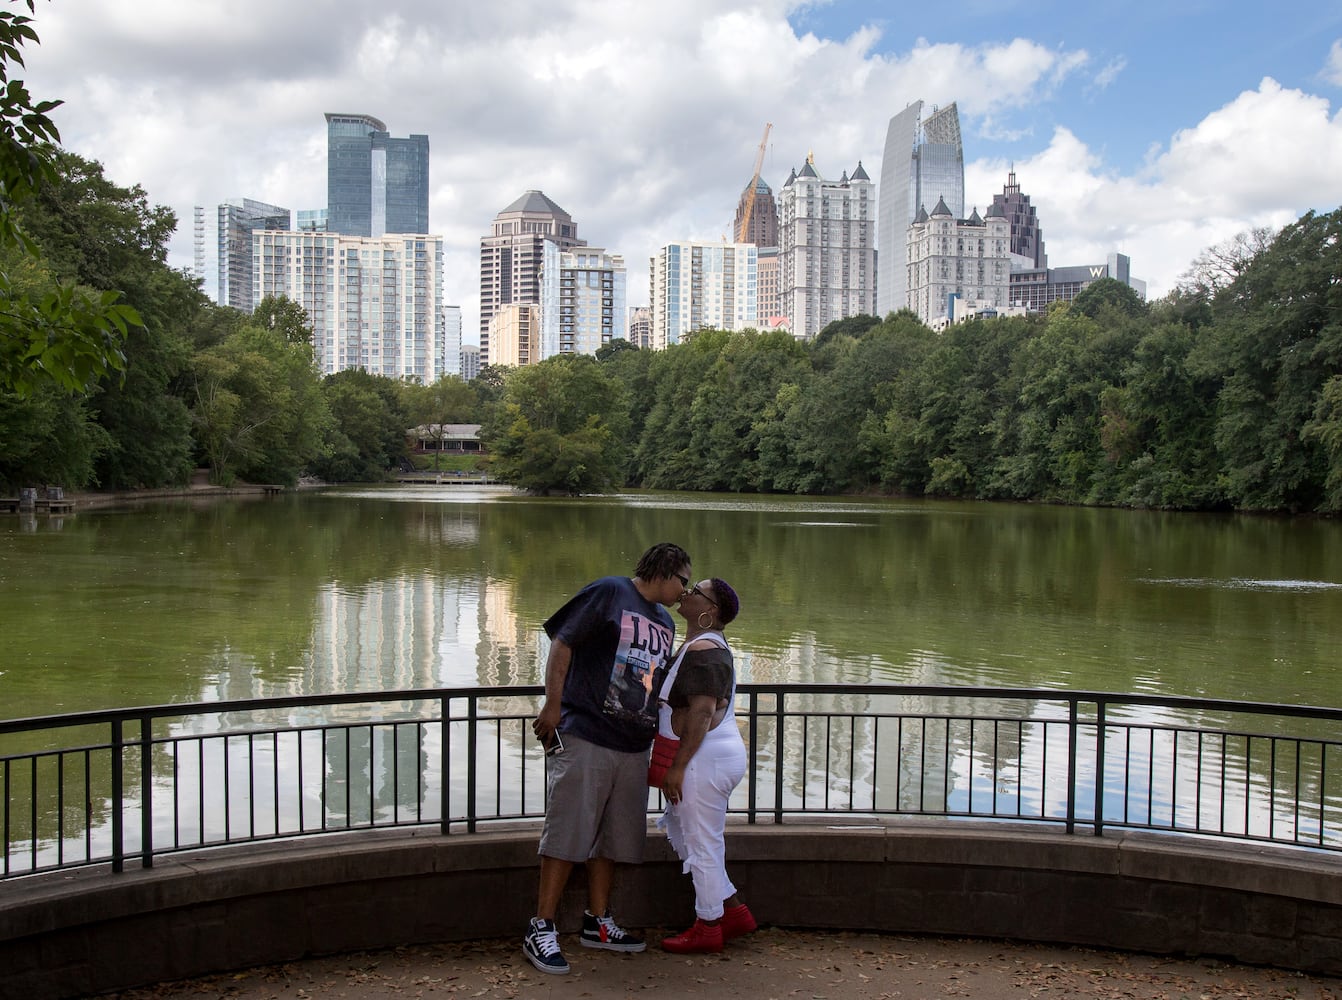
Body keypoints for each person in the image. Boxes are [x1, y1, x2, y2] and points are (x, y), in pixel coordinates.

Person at [523, 542, 692, 975]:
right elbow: (563, 643)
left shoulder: (664, 622)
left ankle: (598, 922)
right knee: (567, 831)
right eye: (683, 580)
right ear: (665, 570)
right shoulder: (609, 592)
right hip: (587, 735)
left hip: (633, 747)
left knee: (611, 841)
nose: (683, 590)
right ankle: (540, 926)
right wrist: (552, 705)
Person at [654, 576, 757, 954]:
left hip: (703, 759)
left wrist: (678, 766)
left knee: (701, 843)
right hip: (708, 756)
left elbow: (702, 711)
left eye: (696, 591)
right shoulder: (700, 645)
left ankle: (708, 925)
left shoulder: (705, 649)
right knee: (688, 835)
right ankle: (731, 911)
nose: (687, 593)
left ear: (709, 612)